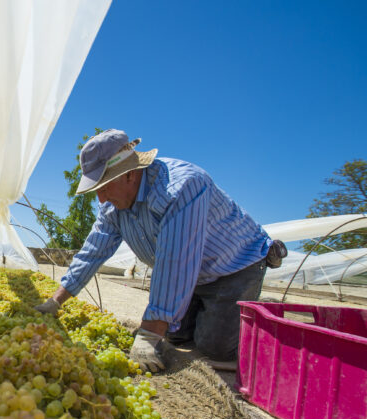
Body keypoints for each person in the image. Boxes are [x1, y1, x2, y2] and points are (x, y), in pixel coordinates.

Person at [35, 129, 286, 372]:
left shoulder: (181, 187)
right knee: (175, 335)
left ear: (129, 175)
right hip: (193, 276)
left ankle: (255, 314)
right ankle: (220, 313)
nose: (100, 199)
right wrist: (55, 301)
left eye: (103, 187)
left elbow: (175, 261)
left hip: (235, 266)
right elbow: (93, 251)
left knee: (215, 348)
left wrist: (148, 335)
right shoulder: (113, 207)